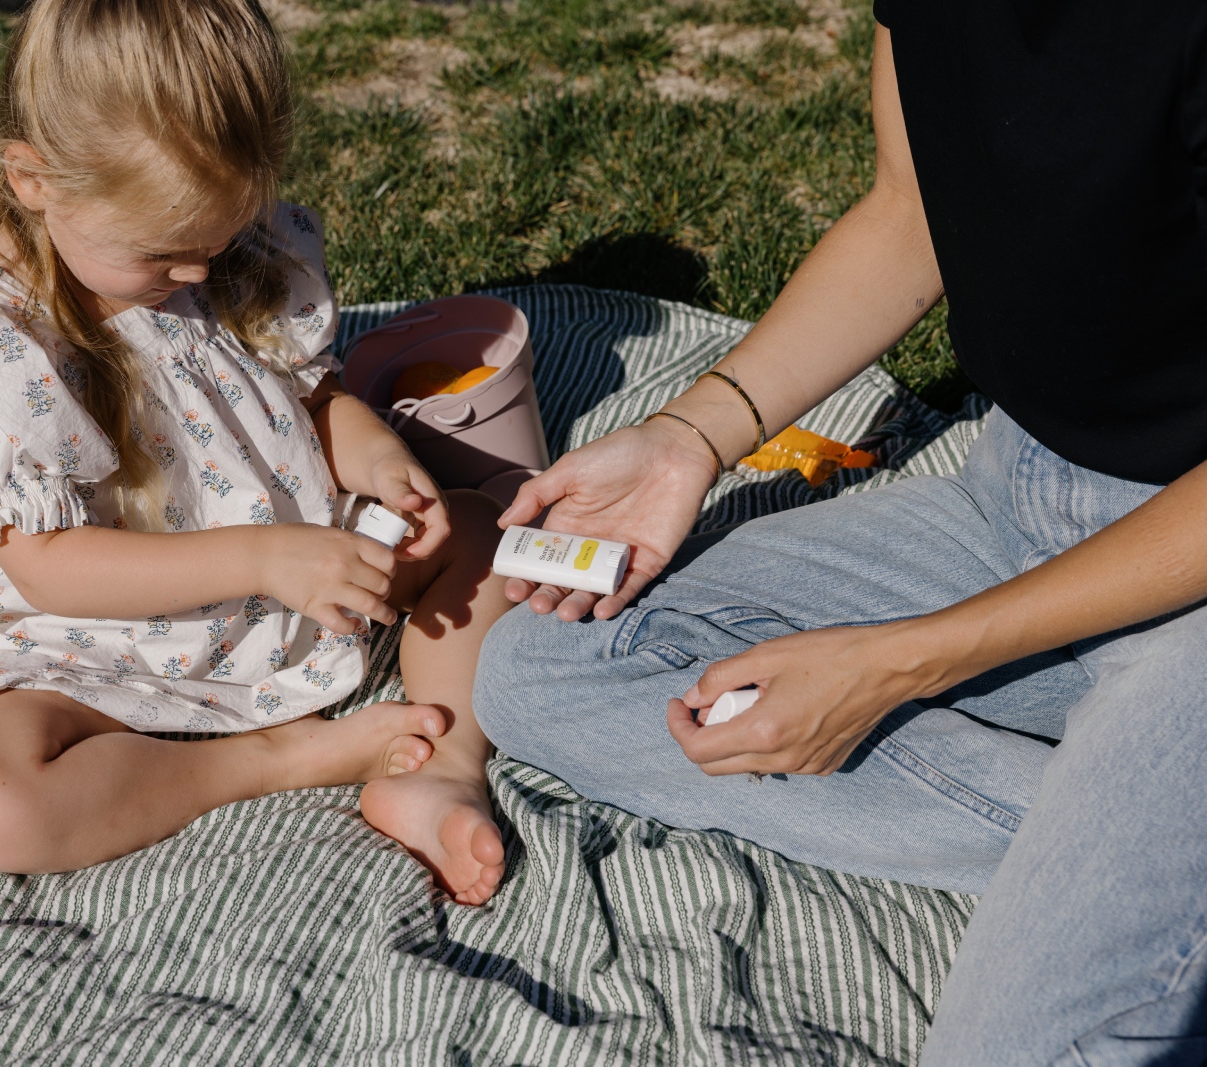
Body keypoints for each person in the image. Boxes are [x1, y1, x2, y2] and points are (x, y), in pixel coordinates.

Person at [474, 4, 1207, 1063]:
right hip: (1012, 500)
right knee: (543, 663)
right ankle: (1114, 867)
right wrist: (691, 435)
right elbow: (908, 214)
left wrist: (899, 664)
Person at [0, 0, 507, 905]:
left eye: (216, 243)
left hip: (287, 588)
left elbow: (310, 396)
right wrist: (266, 555)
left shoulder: (227, 258)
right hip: (83, 640)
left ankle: (440, 763)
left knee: (487, 529)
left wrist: (375, 457)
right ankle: (273, 757)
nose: (195, 276)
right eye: (164, 255)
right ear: (34, 181)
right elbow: (49, 569)